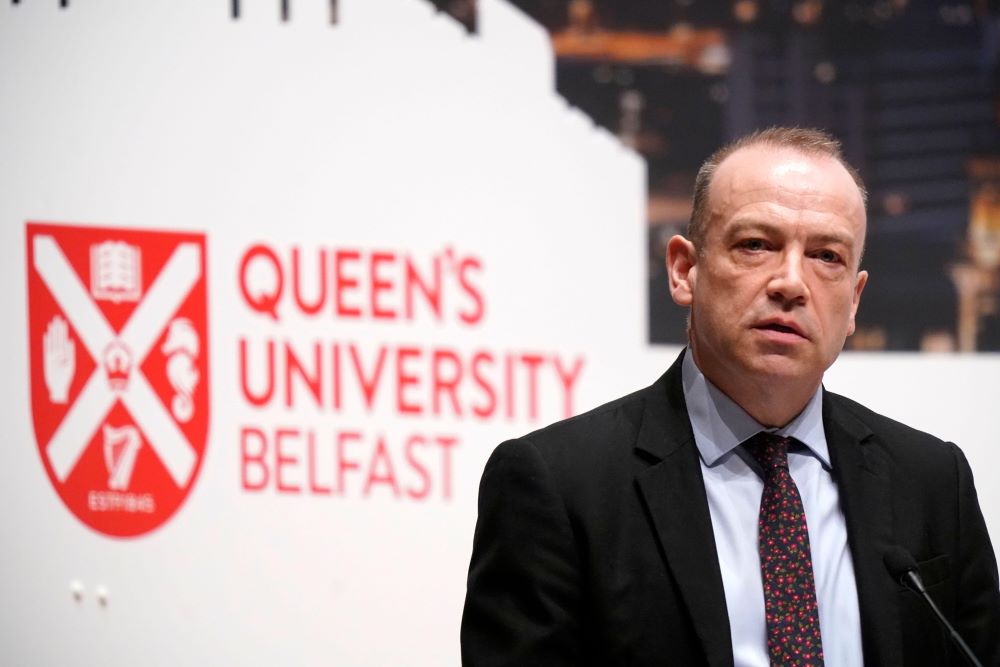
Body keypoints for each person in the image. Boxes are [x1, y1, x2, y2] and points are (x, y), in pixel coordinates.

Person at [460, 127, 1000, 666]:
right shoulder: (559, 485)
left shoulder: (932, 482)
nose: (791, 282)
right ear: (683, 271)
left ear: (854, 301)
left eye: (826, 256)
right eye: (756, 246)